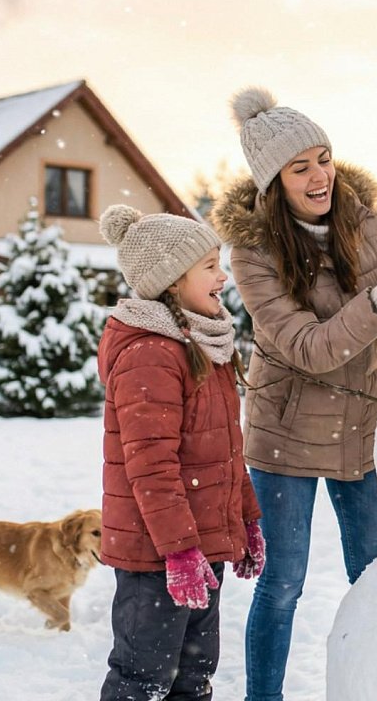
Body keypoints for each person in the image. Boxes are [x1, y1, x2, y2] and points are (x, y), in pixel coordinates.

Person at [210, 87, 377, 701]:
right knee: (282, 582)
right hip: (286, 437)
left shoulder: (367, 220)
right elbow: (310, 347)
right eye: (299, 167)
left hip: (364, 426)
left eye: (324, 158)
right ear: (273, 182)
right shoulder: (252, 252)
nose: (319, 175)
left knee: (375, 576)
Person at [96, 204, 264, 701]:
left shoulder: (201, 345)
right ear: (172, 281)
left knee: (192, 679)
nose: (223, 275)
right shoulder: (151, 353)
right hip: (157, 556)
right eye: (210, 265)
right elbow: (151, 466)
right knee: (143, 680)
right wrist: (179, 551)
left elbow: (225, 452)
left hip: (199, 547)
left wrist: (246, 520)